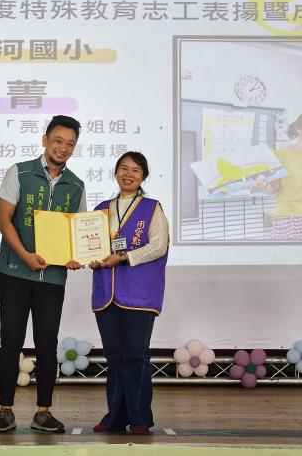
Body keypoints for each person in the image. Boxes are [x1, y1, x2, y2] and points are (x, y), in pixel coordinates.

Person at [0, 115, 85, 434]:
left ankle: (43, 411)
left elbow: (78, 234)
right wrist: (25, 256)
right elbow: (3, 221)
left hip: (52, 279)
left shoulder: (77, 185)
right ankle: (5, 411)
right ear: (45, 140)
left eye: (70, 144)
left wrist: (76, 256)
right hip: (15, 273)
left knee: (46, 344)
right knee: (11, 341)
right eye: (58, 141)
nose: (63, 148)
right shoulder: (19, 172)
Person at [89, 151, 169, 434]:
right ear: (116, 172)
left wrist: (124, 257)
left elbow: (158, 245)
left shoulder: (152, 208)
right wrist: (86, 258)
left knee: (135, 356)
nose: (128, 174)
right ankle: (115, 417)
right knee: (114, 357)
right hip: (106, 293)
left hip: (139, 295)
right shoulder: (101, 209)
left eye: (136, 170)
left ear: (143, 176)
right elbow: (90, 245)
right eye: (124, 168)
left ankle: (139, 418)